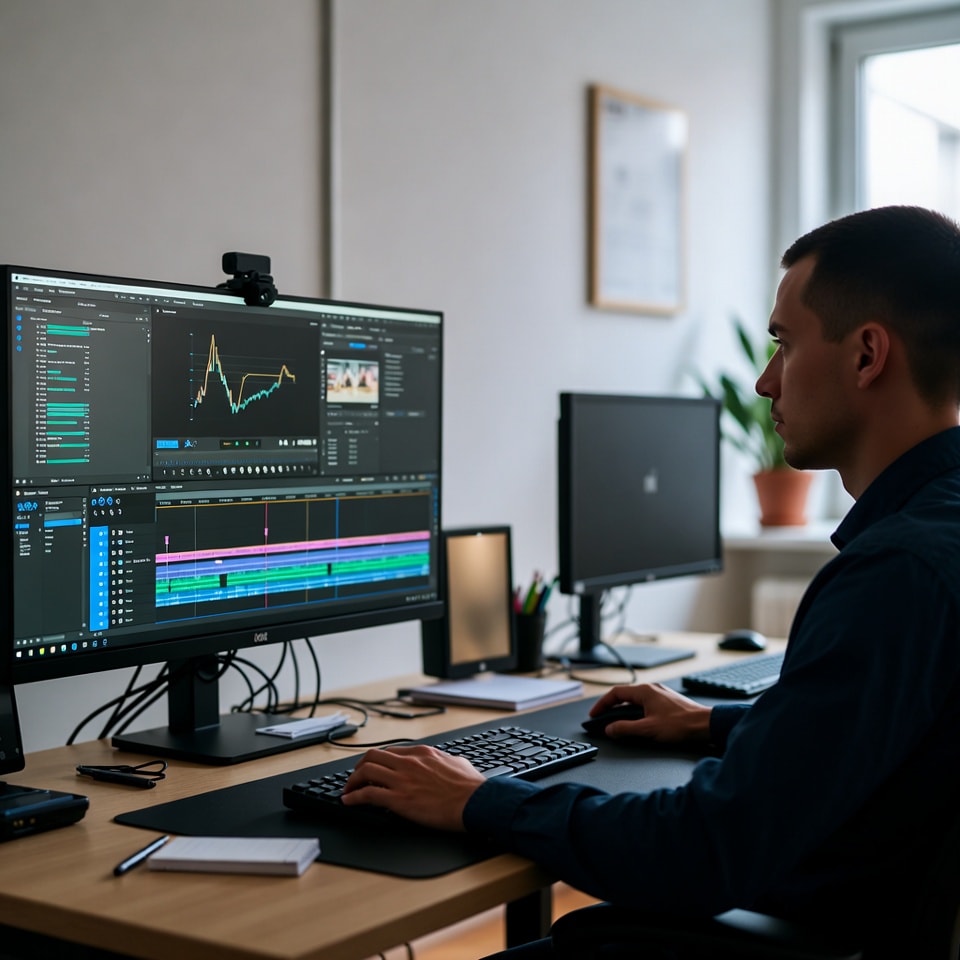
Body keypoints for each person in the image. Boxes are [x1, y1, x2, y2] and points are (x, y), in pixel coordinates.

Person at [342, 205, 960, 957]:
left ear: (866, 356)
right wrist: (712, 723)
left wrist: (481, 798)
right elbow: (879, 728)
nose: (766, 383)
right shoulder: (935, 540)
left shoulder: (896, 574)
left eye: (785, 345)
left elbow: (704, 852)